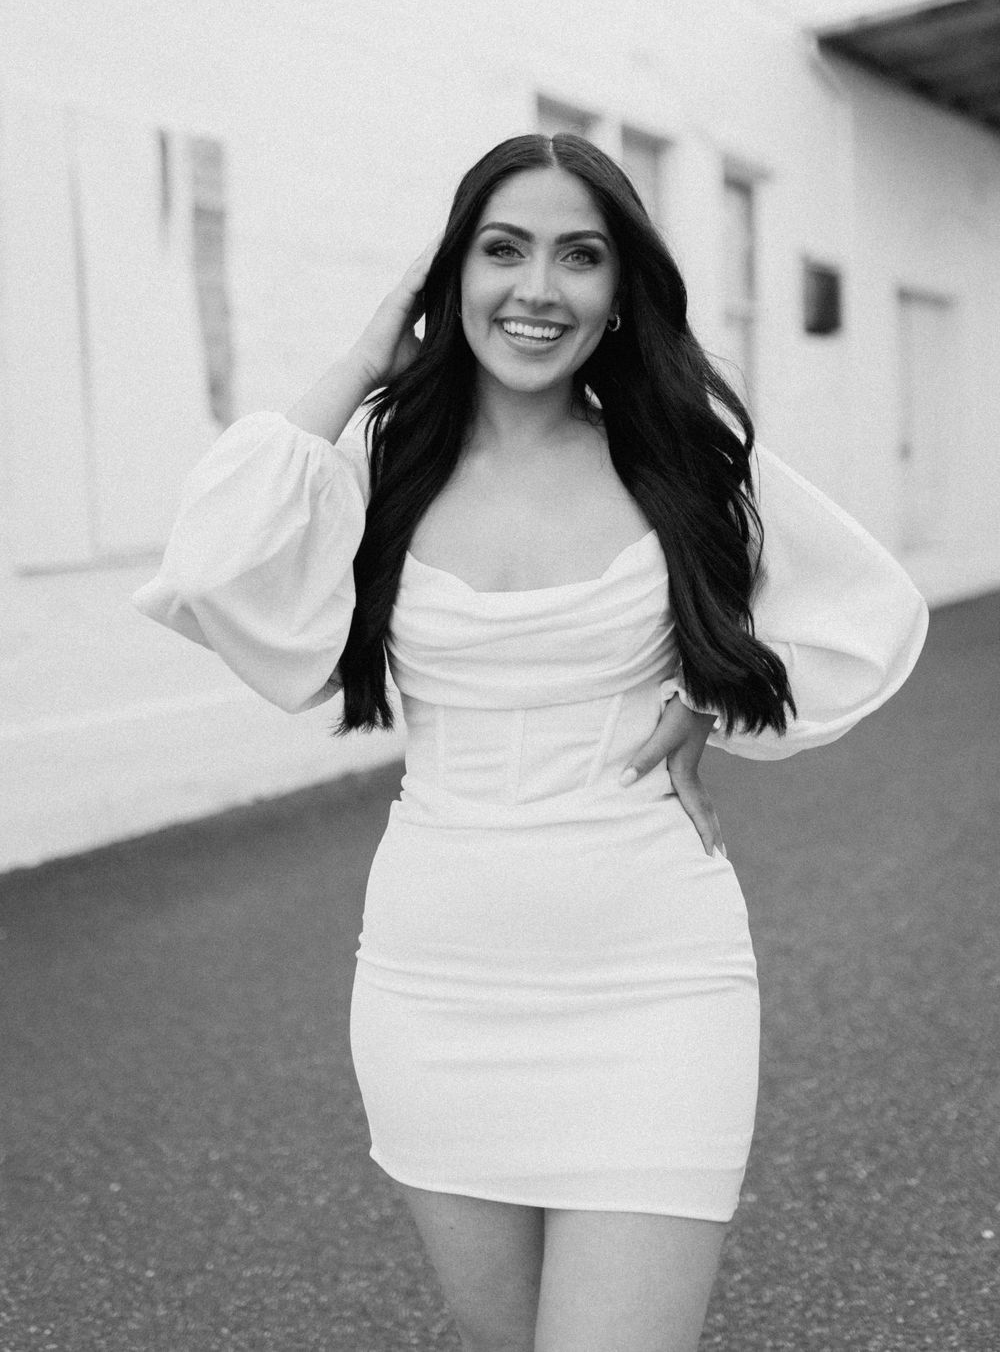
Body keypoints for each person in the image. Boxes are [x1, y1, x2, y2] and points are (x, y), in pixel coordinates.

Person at [133, 133, 928, 1352]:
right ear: (448, 278)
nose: (539, 289)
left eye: (580, 256)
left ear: (620, 294)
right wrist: (361, 357)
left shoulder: (681, 461)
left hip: (656, 978)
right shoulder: (378, 467)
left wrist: (713, 698)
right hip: (433, 985)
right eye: (501, 251)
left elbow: (867, 611)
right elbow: (208, 569)